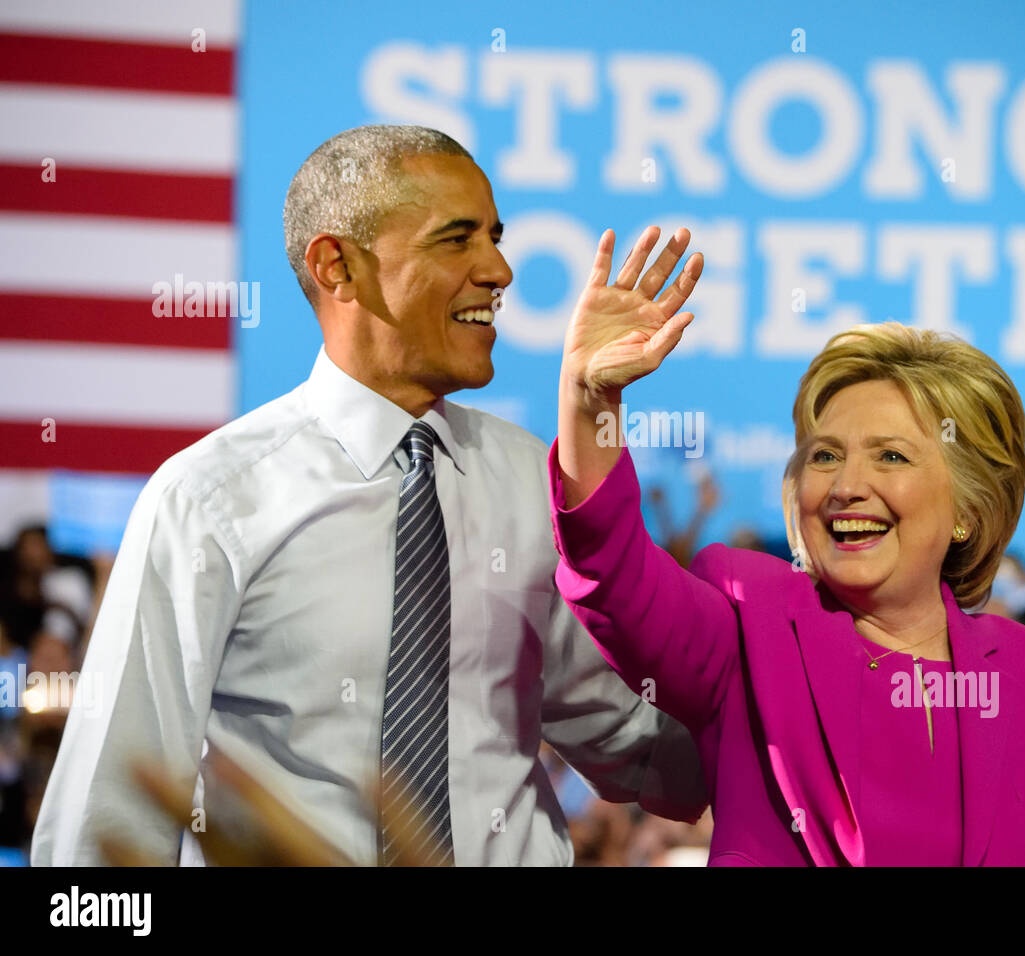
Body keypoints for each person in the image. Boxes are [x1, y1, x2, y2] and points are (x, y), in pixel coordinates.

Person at [31, 126, 706, 867]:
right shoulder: (210, 500)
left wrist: (808, 716)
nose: (500, 270)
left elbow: (630, 740)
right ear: (338, 266)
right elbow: (111, 809)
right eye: (458, 240)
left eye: (496, 236)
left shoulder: (528, 479)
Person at [548, 227, 1025, 864]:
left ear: (967, 507)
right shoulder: (751, 622)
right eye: (825, 455)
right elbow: (613, 573)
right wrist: (589, 400)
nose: (848, 486)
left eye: (890, 456)